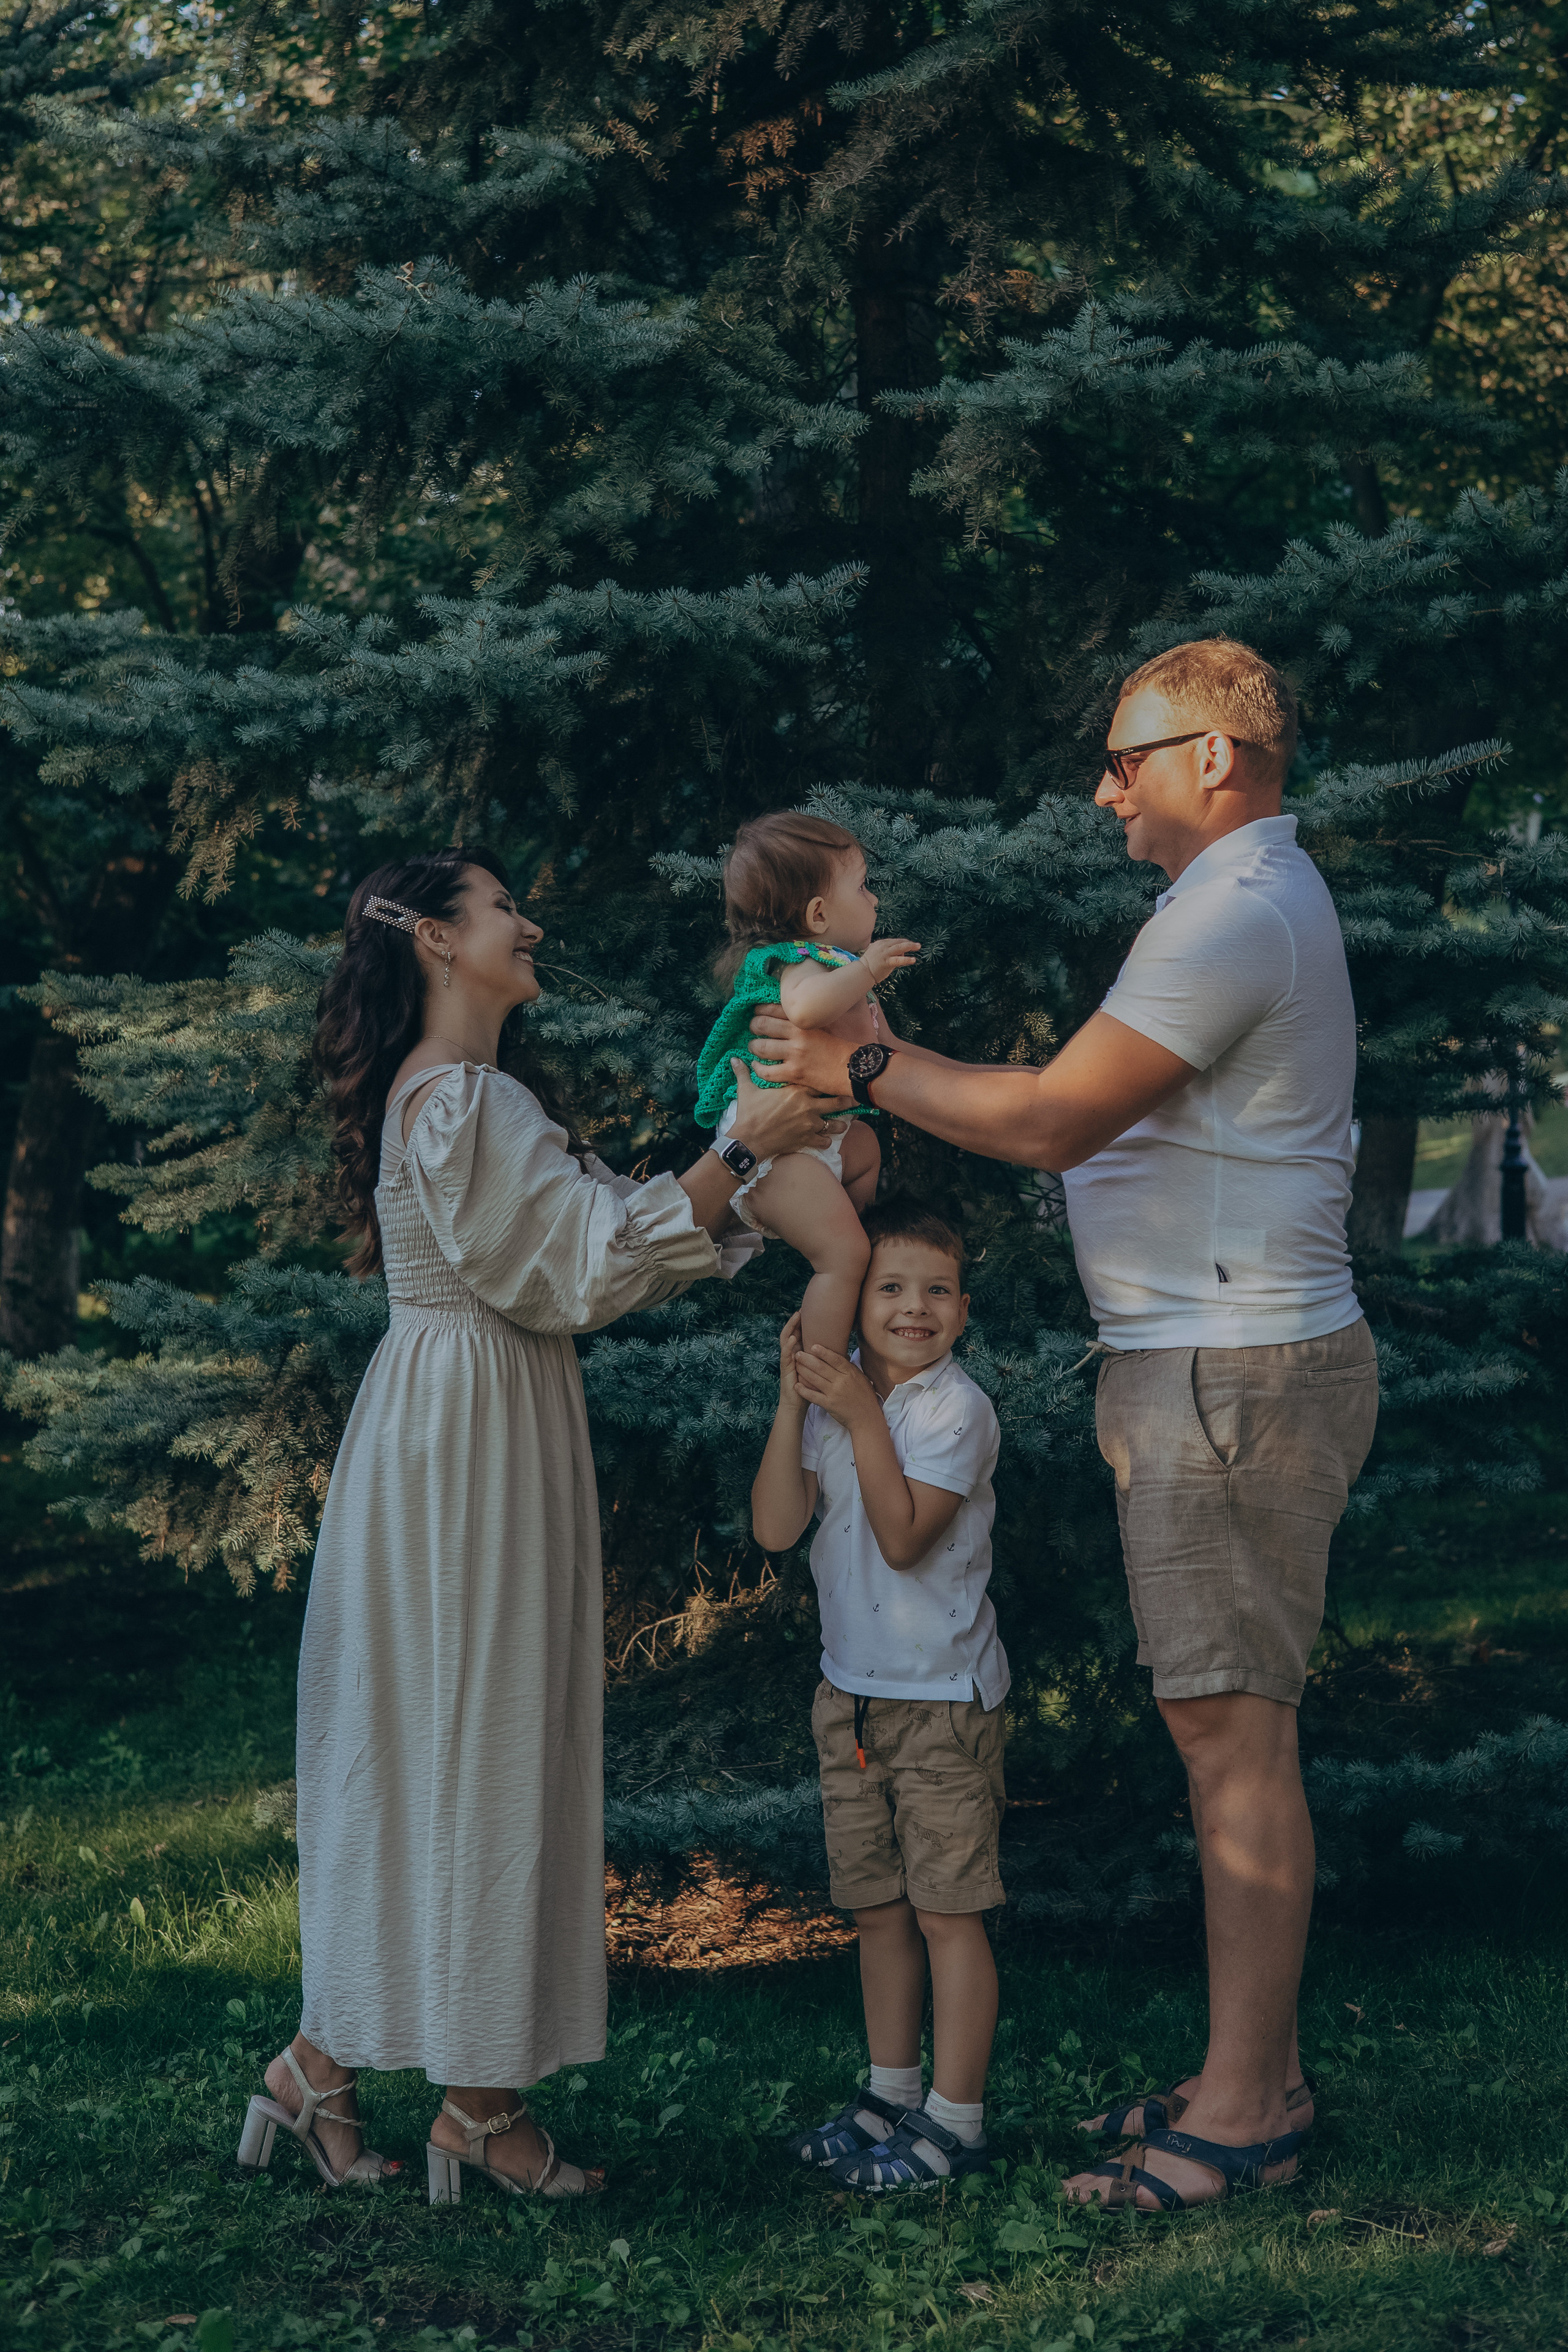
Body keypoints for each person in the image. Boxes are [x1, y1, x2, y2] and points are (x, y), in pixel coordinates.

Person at [748, 637, 1381, 2214]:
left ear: (1215, 759)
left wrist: (864, 1063)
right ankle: (1259, 2071)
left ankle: (1243, 2111)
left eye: (1126, 755)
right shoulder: (1212, 908)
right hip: (1196, 1363)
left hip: (1226, 1371)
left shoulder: (1236, 909)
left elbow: (1049, 1118)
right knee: (1220, 1724)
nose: (1103, 784)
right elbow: (1072, 1107)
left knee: (1227, 1734)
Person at [238, 846, 830, 2203]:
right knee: (479, 1731)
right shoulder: (459, 1096)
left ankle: (328, 2072)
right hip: (465, 1437)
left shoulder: (472, 1097)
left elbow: (595, 1238)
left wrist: (741, 1171)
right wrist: (739, 1149)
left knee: (445, 1733)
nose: (531, 921)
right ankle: (476, 2111)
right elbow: (570, 1268)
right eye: (503, 907)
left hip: (472, 1417)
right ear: (436, 940)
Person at [752, 1198, 1006, 2193]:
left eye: (935, 1291)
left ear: (963, 1310)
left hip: (943, 1700)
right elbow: (778, 1528)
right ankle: (891, 2095)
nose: (913, 1308)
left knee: (949, 1912)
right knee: (879, 1909)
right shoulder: (831, 1407)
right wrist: (794, 1402)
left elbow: (905, 1537)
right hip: (849, 1698)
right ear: (855, 1306)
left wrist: (860, 1413)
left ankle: (957, 2120)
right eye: (890, 1289)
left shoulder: (957, 1409)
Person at [693, 811, 921, 1353]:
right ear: (818, 913)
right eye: (863, 887)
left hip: (822, 1139)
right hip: (777, 1152)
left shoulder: (837, 968)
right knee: (841, 1259)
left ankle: (853, 1228)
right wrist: (867, 969)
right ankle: (824, 1369)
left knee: (867, 1152)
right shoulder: (799, 964)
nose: (875, 901)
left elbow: (892, 1052)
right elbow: (805, 1007)